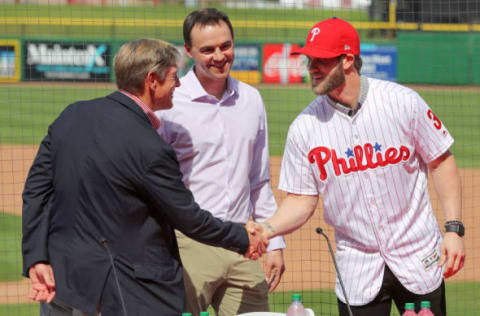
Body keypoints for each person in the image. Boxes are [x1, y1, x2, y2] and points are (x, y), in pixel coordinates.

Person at [21, 38, 268, 316]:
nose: (178, 85)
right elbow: (188, 218)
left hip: (62, 281)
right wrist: (242, 238)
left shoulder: (72, 115)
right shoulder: (150, 146)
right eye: (174, 77)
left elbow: (36, 191)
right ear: (152, 80)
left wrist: (36, 257)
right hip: (120, 292)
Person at [257, 18, 465, 316]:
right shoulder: (304, 128)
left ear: (347, 60)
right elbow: (301, 200)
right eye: (309, 59)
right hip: (358, 268)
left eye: (321, 60)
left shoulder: (402, 103)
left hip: (419, 256)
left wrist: (454, 230)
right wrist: (267, 229)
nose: (311, 67)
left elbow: (442, 161)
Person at [155, 8, 286, 316]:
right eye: (207, 49)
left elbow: (259, 180)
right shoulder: (170, 103)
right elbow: (155, 183)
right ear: (188, 51)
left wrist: (275, 242)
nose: (219, 56)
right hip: (189, 244)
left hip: (244, 243)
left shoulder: (251, 99)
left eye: (225, 46)